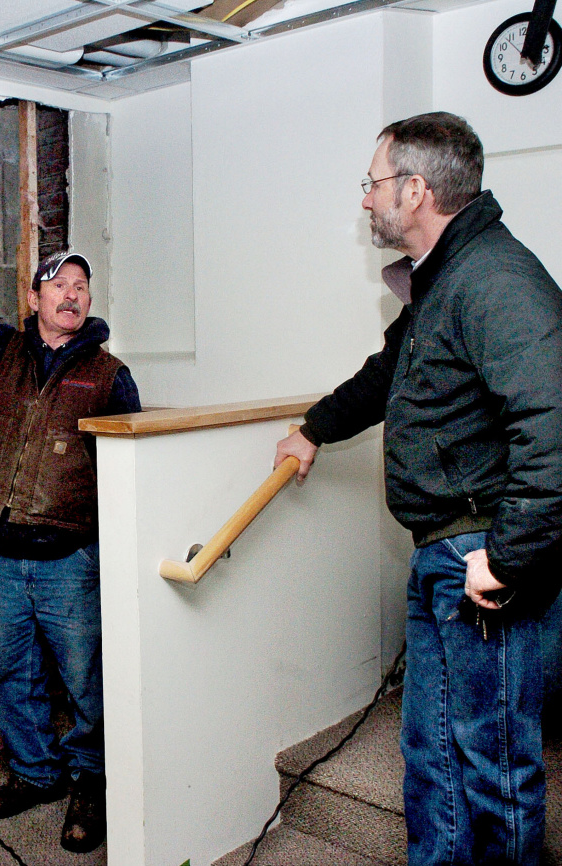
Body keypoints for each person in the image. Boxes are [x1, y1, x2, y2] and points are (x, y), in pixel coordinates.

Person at [275, 112, 562, 866]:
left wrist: (507, 557)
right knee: (432, 753)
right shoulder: (441, 283)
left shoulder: (495, 279)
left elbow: (555, 418)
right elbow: (385, 379)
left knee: (495, 766)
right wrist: (312, 429)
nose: (365, 201)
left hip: (483, 557)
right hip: (441, 554)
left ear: (416, 188)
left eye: (372, 185)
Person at [0, 219, 140, 853]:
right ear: (33, 297)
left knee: (84, 678)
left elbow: (128, 471)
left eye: (82, 286)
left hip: (70, 558)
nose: (73, 295)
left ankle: (92, 781)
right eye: (60, 284)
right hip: (2, 555)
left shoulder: (109, 376)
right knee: (13, 675)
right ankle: (35, 772)